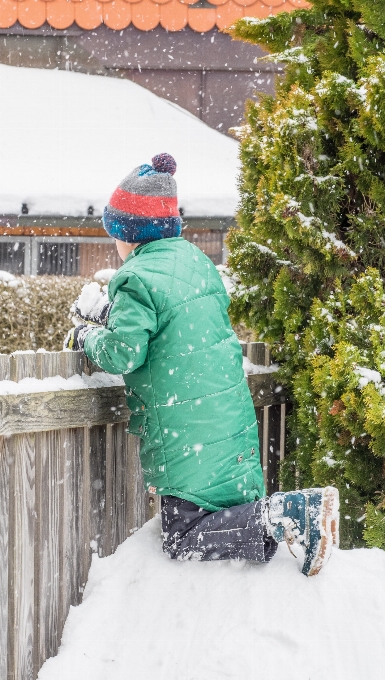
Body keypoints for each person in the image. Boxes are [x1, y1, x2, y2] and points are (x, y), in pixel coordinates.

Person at [64, 153, 339, 577]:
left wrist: (86, 336)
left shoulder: (134, 277)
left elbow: (124, 352)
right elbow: (174, 322)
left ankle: (289, 512)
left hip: (186, 434)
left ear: (129, 235)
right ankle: (279, 519)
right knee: (232, 523)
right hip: (224, 425)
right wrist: (109, 313)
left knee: (183, 536)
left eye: (114, 233)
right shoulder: (197, 265)